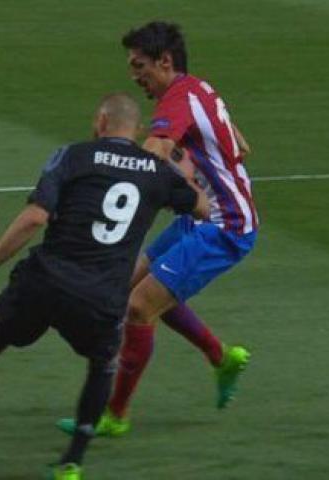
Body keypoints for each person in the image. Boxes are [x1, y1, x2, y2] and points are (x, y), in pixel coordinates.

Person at [0, 93, 209, 480]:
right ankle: (72, 464)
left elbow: (33, 218)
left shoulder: (73, 156)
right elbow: (202, 208)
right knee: (103, 364)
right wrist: (176, 169)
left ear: (100, 121)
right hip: (99, 297)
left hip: (43, 281)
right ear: (139, 129)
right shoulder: (157, 173)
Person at [58, 21, 258, 438]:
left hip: (226, 226)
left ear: (165, 62)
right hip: (202, 217)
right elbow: (241, 145)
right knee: (131, 287)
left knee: (138, 306)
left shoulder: (177, 100)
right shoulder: (199, 89)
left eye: (140, 66)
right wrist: (192, 174)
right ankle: (221, 357)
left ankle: (115, 415)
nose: (135, 76)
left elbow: (154, 152)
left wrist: (109, 184)